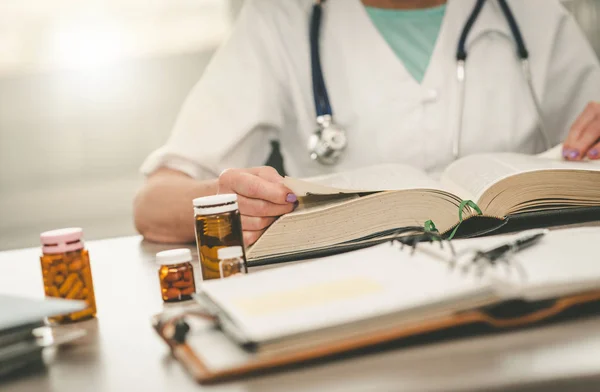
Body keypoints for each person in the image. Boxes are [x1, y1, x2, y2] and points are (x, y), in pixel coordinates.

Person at [134, 0, 600, 246]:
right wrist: (229, 205)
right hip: (353, 306)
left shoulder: (533, 11)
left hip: (527, 293)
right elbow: (153, 204)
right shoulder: (279, 19)